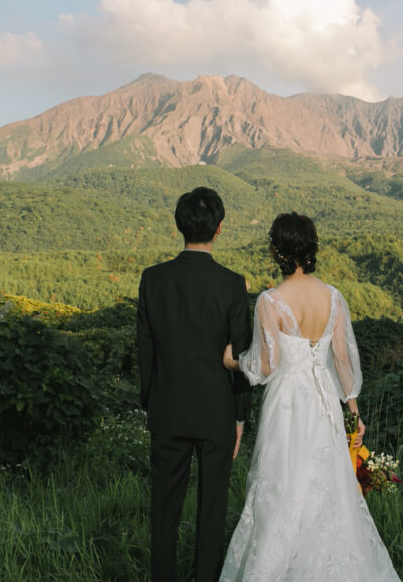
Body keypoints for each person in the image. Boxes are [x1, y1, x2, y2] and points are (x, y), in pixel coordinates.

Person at [219, 212, 400, 581]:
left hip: (287, 405)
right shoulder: (333, 297)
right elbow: (343, 359)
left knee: (283, 489)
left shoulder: (270, 301)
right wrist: (353, 411)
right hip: (325, 408)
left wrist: (234, 362)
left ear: (278, 250)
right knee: (327, 492)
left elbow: (267, 365)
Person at [137, 187, 253, 582]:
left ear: (179, 225)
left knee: (163, 514)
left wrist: (151, 402)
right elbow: (241, 357)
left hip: (167, 409)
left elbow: (145, 350)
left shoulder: (152, 280)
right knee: (212, 513)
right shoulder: (232, 284)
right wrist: (240, 418)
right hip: (217, 411)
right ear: (219, 229)